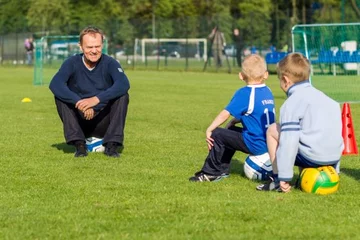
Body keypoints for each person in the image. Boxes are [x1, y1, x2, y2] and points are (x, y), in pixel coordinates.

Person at [256, 53, 344, 192]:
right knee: (306, 131)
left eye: (279, 79)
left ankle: (277, 179)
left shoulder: (291, 103)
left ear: (285, 80)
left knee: (273, 130)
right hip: (332, 159)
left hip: (313, 158)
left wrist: (285, 177)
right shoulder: (330, 101)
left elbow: (289, 142)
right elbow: (336, 135)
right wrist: (335, 169)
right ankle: (304, 176)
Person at [189, 54, 275, 182]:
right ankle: (223, 169)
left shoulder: (245, 93)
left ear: (241, 76)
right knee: (229, 132)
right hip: (268, 141)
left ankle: (212, 172)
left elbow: (225, 113)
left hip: (255, 143)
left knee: (218, 134)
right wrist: (233, 122)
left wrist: (210, 129)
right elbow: (252, 112)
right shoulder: (267, 91)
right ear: (266, 74)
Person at [49, 26, 130, 158]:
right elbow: (55, 84)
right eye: (89, 47)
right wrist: (79, 103)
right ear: (81, 47)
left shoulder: (111, 63)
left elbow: (123, 83)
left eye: (97, 46)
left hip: (103, 121)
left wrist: (96, 100)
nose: (94, 51)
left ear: (102, 45)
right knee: (60, 96)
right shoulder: (71, 63)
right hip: (80, 121)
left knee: (123, 96)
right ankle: (80, 146)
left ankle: (111, 146)